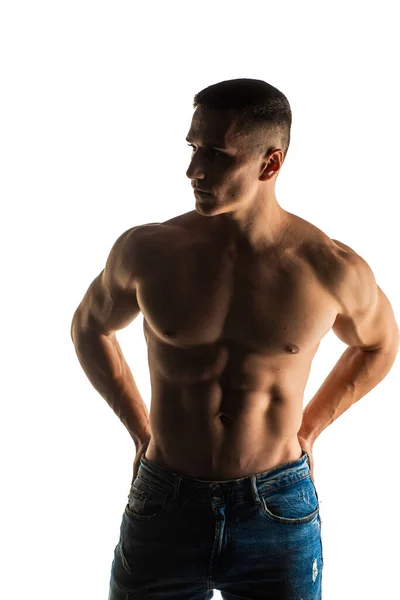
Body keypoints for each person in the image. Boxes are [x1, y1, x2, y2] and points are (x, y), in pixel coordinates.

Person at [71, 78, 399, 600]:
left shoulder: (328, 269)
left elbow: (380, 344)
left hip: (277, 507)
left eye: (218, 156)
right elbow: (89, 327)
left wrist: (311, 427)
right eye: (193, 148)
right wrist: (140, 430)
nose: (194, 170)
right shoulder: (149, 252)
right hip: (165, 499)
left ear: (270, 164)